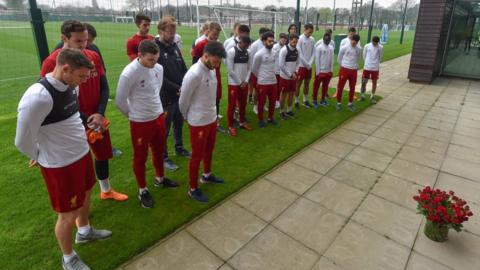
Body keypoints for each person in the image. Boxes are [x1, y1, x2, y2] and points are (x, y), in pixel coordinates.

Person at [16, 48, 112, 270]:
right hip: (60, 165)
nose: (82, 82)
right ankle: (68, 259)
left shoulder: (71, 85)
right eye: (80, 77)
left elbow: (72, 116)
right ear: (65, 68)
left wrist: (90, 124)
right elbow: (22, 140)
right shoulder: (37, 97)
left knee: (87, 194)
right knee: (67, 214)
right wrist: (38, 156)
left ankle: (85, 231)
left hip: (81, 154)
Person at [40, 20, 128, 202]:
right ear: (64, 38)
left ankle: (106, 190)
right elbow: (52, 100)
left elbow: (104, 87)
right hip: (71, 122)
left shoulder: (93, 56)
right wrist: (88, 119)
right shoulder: (51, 63)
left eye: (86, 40)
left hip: (97, 117)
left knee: (102, 154)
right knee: (78, 161)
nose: (84, 45)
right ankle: (79, 206)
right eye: (79, 41)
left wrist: (100, 113)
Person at [116, 40, 179, 209]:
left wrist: (155, 111)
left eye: (156, 59)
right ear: (139, 56)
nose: (154, 63)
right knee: (140, 157)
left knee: (159, 150)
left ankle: (160, 179)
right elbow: (120, 101)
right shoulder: (129, 73)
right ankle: (142, 190)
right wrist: (134, 115)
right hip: (140, 122)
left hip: (158, 117)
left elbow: (155, 90)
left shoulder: (158, 68)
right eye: (150, 59)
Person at [179, 41, 226, 203]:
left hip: (211, 118)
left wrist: (214, 116)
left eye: (219, 61)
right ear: (205, 56)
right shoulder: (194, 74)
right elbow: (183, 100)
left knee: (209, 149)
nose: (217, 64)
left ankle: (206, 175)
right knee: (197, 155)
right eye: (215, 61)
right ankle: (193, 189)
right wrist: (186, 116)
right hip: (198, 121)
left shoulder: (212, 69)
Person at [154, 16, 191, 172]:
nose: (172, 35)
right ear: (161, 31)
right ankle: (163, 157)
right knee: (164, 129)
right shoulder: (155, 49)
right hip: (165, 96)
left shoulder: (174, 46)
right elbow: (159, 77)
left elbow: (183, 67)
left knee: (179, 122)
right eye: (170, 32)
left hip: (179, 93)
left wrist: (186, 83)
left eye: (174, 32)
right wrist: (178, 87)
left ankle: (179, 147)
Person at [191, 22, 225, 132]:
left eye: (217, 35)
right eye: (214, 34)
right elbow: (195, 62)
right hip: (203, 77)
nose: (215, 37)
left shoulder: (219, 45)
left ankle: (215, 122)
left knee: (216, 97)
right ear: (208, 31)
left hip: (216, 75)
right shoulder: (201, 44)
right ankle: (202, 119)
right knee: (204, 97)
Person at [226, 35, 253, 136]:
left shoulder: (248, 52)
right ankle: (230, 126)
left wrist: (245, 81)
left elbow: (250, 68)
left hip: (244, 83)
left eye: (247, 46)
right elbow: (230, 70)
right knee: (232, 105)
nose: (246, 48)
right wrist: (239, 82)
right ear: (240, 42)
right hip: (233, 83)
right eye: (244, 46)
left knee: (243, 103)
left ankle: (241, 122)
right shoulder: (231, 52)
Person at [252, 31, 279, 128]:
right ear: (264, 41)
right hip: (263, 82)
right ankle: (260, 119)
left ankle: (270, 118)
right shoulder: (259, 54)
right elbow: (254, 69)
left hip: (273, 81)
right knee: (261, 102)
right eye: (269, 41)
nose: (271, 43)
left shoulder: (275, 53)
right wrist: (261, 77)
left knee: (272, 101)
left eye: (273, 41)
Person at [336, 34, 362, 112]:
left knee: (352, 87)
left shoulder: (359, 49)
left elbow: (358, 59)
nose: (354, 43)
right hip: (344, 69)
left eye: (356, 42)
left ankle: (350, 104)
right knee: (340, 87)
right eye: (353, 41)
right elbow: (339, 59)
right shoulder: (344, 48)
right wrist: (344, 66)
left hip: (353, 70)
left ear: (357, 42)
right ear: (351, 39)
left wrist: (354, 67)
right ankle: (338, 103)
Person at [249, 27, 271, 113]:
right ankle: (255, 106)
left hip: (266, 72)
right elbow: (251, 59)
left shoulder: (268, 43)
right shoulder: (255, 45)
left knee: (265, 90)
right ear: (260, 35)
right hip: (256, 72)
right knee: (256, 90)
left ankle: (263, 104)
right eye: (265, 35)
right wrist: (254, 73)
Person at [278, 33, 299, 120]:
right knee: (284, 95)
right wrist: (290, 74)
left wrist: (296, 72)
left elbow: (298, 63)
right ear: (289, 40)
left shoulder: (297, 50)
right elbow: (281, 65)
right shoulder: (284, 50)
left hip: (293, 77)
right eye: (294, 42)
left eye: (296, 42)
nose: (295, 44)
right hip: (285, 77)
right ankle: (281, 112)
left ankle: (289, 110)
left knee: (291, 94)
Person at [295, 23, 315, 109]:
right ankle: (296, 101)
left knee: (307, 83)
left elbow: (314, 52)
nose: (310, 34)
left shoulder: (312, 39)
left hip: (309, 66)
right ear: (305, 30)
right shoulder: (299, 39)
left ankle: (305, 100)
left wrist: (310, 63)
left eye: (311, 32)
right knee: (298, 84)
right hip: (301, 66)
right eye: (309, 32)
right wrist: (306, 64)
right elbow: (299, 53)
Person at [312, 33, 334, 108]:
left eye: (328, 40)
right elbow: (317, 60)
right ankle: (314, 100)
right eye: (326, 40)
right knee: (316, 87)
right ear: (323, 39)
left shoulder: (331, 48)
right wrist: (318, 72)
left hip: (327, 72)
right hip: (320, 71)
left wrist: (331, 70)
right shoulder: (319, 48)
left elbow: (332, 60)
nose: (327, 41)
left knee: (325, 87)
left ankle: (323, 100)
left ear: (330, 40)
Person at [361, 36, 383, 104]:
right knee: (364, 81)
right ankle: (362, 95)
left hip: (375, 68)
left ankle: (372, 96)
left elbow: (380, 57)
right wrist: (367, 63)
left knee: (374, 82)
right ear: (372, 41)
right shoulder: (367, 46)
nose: (375, 44)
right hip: (367, 67)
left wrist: (375, 63)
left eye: (376, 43)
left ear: (378, 42)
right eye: (374, 43)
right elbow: (364, 56)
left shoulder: (381, 47)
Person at [273, 33, 288, 109]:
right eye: (283, 40)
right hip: (275, 70)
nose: (284, 41)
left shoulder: (286, 48)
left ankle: (277, 100)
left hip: (282, 71)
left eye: (285, 40)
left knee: (280, 87)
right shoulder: (275, 47)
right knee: (275, 87)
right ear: (279, 39)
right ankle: (274, 100)